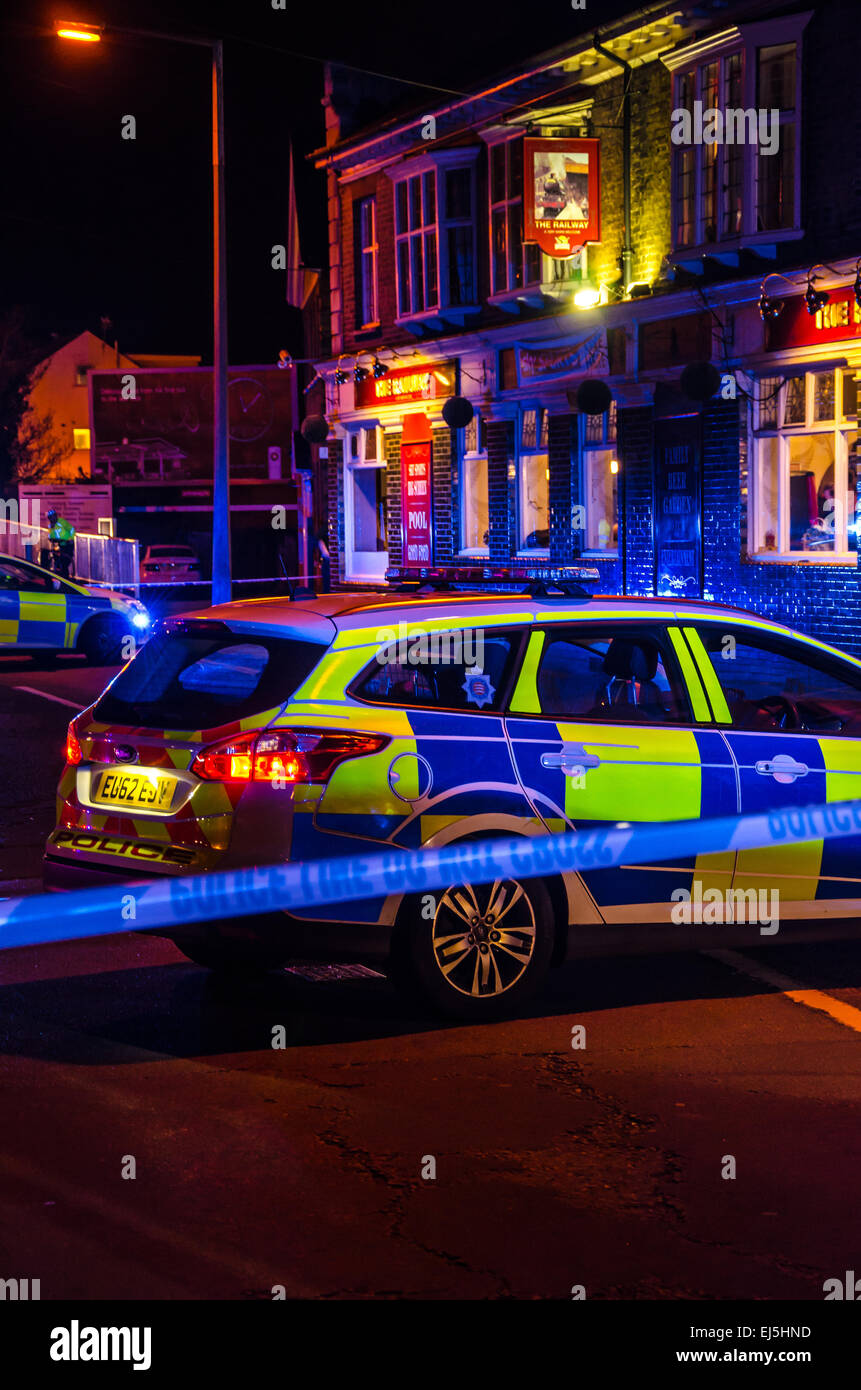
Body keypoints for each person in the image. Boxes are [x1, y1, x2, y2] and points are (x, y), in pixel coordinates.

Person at [47, 509, 75, 578]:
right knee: (58, 559)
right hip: (60, 544)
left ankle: (66, 577)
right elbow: (51, 535)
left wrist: (71, 538)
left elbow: (71, 529)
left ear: (56, 516)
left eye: (53, 517)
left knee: (65, 562)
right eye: (50, 518)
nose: (52, 519)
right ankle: (61, 575)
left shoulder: (62, 522)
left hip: (68, 543)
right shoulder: (50, 526)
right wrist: (51, 538)